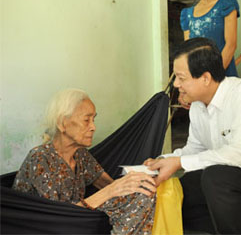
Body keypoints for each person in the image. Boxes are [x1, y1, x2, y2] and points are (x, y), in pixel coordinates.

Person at [145, 37, 241, 234]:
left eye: (181, 77)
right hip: (222, 176)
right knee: (181, 190)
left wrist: (179, 162)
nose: (176, 84)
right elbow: (194, 149)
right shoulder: (197, 105)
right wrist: (162, 161)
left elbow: (239, 155)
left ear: (205, 78)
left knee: (215, 177)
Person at [13, 89, 157, 235]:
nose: (93, 127)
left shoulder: (80, 154)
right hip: (47, 227)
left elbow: (108, 184)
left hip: (78, 220)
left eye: (93, 120)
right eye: (86, 120)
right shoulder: (40, 158)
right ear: (62, 123)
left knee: (143, 194)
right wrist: (111, 190)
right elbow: (58, 218)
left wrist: (135, 181)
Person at [180, 0, 240, 77]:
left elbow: (231, 45)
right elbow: (189, 52)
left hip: (222, 77)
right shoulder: (187, 14)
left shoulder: (226, 4)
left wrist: (212, 78)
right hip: (198, 80)